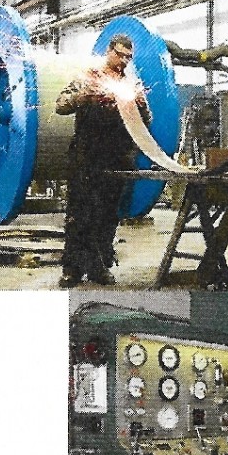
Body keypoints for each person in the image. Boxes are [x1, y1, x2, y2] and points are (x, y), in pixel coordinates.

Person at [55, 34, 151, 288]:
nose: (123, 61)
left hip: (117, 160)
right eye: (119, 55)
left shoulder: (131, 84)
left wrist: (140, 106)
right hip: (86, 159)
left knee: (108, 216)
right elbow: (60, 105)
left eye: (128, 57)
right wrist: (83, 97)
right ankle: (72, 269)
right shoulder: (89, 78)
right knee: (79, 214)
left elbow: (146, 121)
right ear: (109, 51)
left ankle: (100, 266)